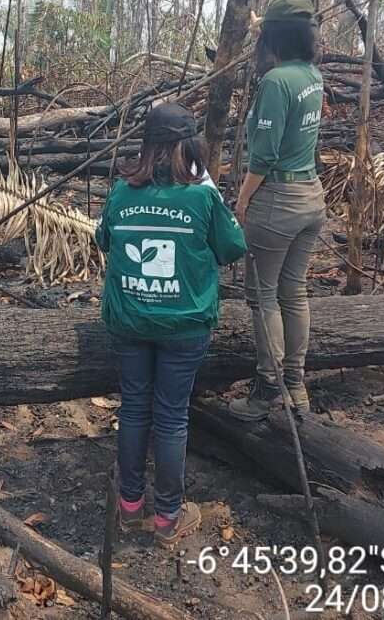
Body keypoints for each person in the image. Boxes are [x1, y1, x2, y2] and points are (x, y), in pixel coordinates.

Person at [95, 103, 247, 547]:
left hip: (130, 320)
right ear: (191, 146)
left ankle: (128, 506)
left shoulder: (122, 191)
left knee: (135, 407)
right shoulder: (202, 195)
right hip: (184, 325)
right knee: (171, 415)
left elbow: (101, 238)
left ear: (147, 146)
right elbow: (233, 246)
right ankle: (167, 517)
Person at [229, 0, 326, 421]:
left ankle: (269, 386)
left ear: (275, 37)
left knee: (263, 296)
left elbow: (263, 154)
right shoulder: (311, 75)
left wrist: (244, 197)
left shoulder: (276, 82)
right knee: (294, 291)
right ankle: (296, 385)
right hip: (311, 196)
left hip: (278, 200)